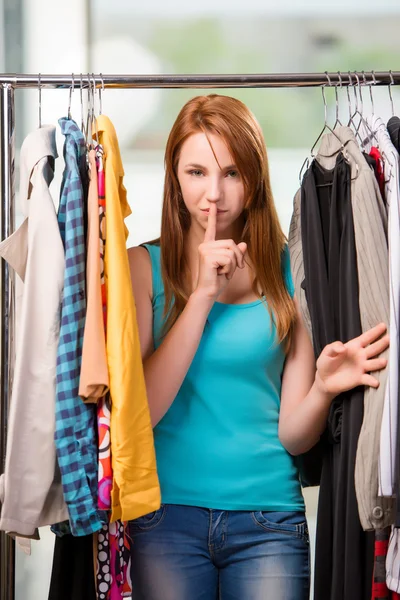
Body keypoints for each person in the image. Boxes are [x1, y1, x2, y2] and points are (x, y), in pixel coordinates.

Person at [127, 94, 389, 600]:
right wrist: (202, 294)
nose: (213, 194)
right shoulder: (144, 268)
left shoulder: (292, 271)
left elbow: (294, 437)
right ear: (173, 178)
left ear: (255, 177)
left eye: (231, 173)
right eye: (196, 172)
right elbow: (142, 410)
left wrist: (321, 387)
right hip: (164, 518)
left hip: (269, 522)